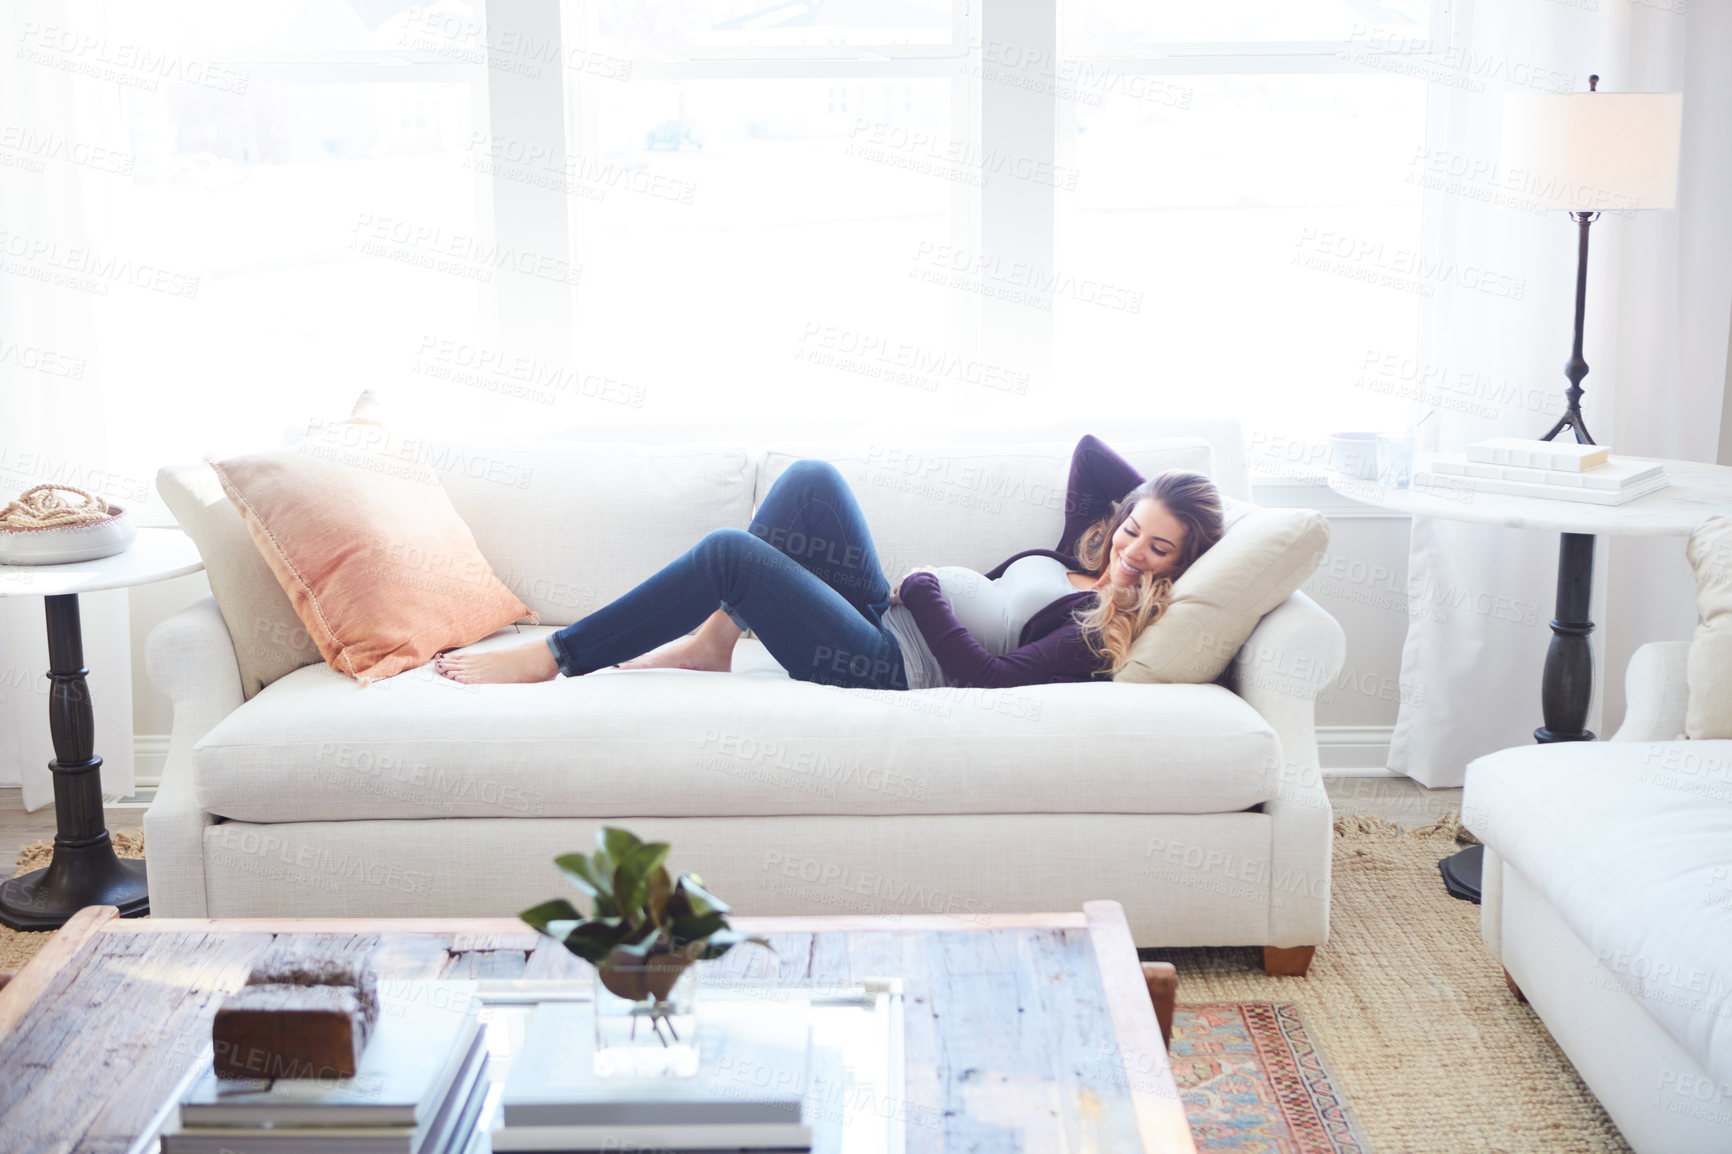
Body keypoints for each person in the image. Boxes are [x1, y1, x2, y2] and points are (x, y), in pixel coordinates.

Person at [434, 433, 1224, 690]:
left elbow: (989, 684)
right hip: (884, 613)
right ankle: (715, 644)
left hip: (894, 664)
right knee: (811, 481)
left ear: (1177, 569)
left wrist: (925, 592)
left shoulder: (1101, 625)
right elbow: (1095, 460)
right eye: (1130, 532)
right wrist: (1147, 510)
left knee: (729, 554)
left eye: (1159, 552)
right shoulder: (1080, 559)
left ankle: (554, 656)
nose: (1130, 556)